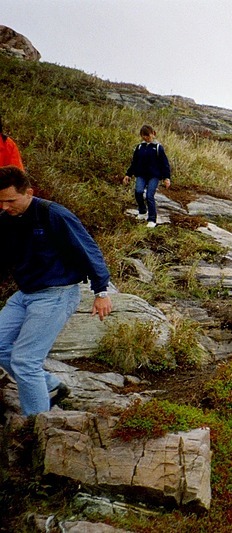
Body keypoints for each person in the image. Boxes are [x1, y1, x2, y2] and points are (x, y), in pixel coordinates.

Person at [0, 166, 112, 417]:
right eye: (0, 202)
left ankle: (38, 425)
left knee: (25, 361)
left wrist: (101, 291)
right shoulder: (6, 221)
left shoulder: (53, 214)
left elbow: (88, 249)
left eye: (10, 200)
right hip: (24, 295)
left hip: (57, 294)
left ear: (29, 192)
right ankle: (49, 386)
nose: (5, 207)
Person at [122, 125, 171, 228]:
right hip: (141, 175)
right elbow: (134, 162)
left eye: (147, 135)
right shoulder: (139, 147)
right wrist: (128, 174)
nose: (146, 138)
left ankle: (152, 219)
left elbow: (164, 164)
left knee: (149, 196)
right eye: (143, 136)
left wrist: (167, 178)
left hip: (154, 176)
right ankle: (143, 211)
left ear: (153, 134)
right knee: (138, 192)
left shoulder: (158, 148)